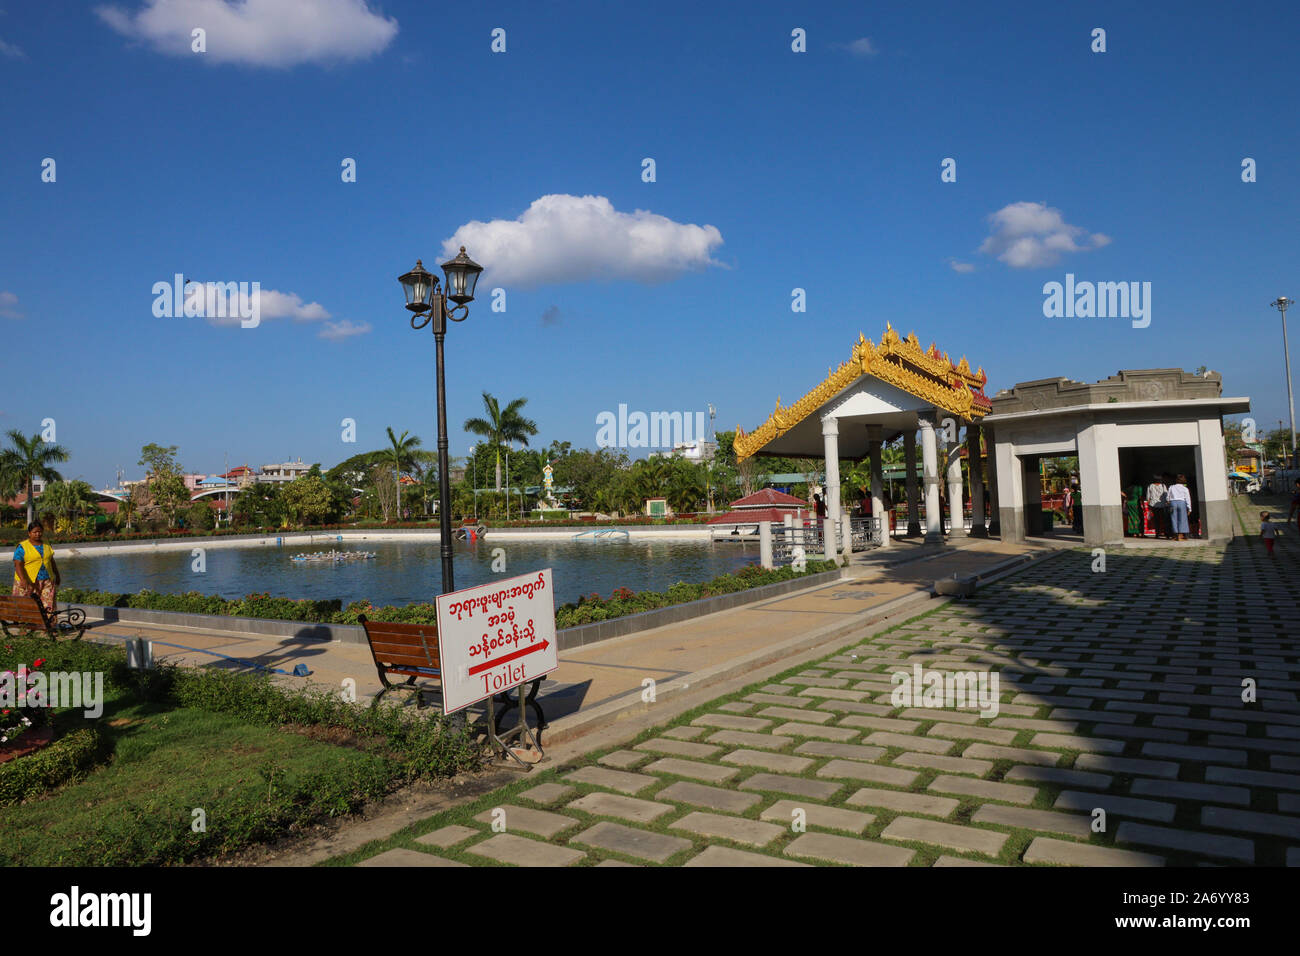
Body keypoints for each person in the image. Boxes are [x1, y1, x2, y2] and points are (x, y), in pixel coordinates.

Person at [13, 519, 60, 614]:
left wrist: (57, 575)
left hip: (47, 580)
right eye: (35, 532)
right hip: (28, 581)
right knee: (25, 605)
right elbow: (17, 564)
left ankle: (48, 626)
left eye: (40, 531)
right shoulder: (22, 546)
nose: (38, 534)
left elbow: (51, 560)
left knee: (48, 605)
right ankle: (24, 626)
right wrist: (23, 579)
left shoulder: (47, 544)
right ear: (29, 533)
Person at [1167, 473, 1192, 541]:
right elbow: (1188, 499)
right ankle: (1181, 535)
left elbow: (1167, 497)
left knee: (1173, 519)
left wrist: (1169, 502)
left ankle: (1175, 535)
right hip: (1181, 503)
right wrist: (1189, 508)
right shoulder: (1185, 488)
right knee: (1182, 519)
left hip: (1172, 503)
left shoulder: (1171, 487)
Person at [1146, 474, 1169, 538]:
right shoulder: (1163, 485)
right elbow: (1166, 495)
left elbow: (1148, 497)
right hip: (1162, 505)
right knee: (1164, 520)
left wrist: (1149, 506)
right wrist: (1167, 502)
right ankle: (1166, 533)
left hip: (1153, 505)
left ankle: (1157, 533)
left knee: (1156, 520)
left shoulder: (1150, 486)